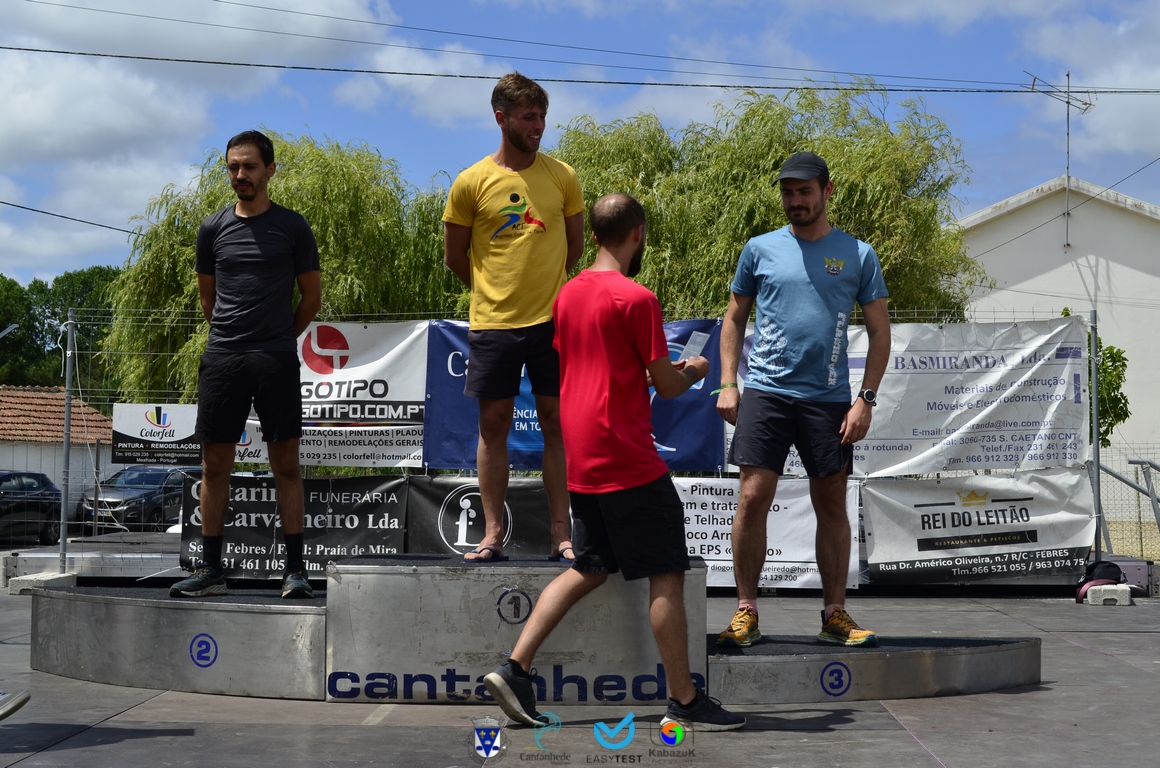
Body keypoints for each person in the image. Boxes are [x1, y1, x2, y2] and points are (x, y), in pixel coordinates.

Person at [483, 194, 745, 732]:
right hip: (626, 455)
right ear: (638, 234)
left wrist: (642, 371)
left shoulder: (567, 294)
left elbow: (595, 363)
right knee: (667, 573)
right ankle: (685, 699)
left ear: (596, 234)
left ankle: (515, 668)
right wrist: (697, 369)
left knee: (590, 567)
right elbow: (667, 387)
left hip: (582, 456)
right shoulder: (637, 298)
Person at [716, 151, 891, 648]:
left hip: (828, 400)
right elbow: (733, 318)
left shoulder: (858, 254)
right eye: (788, 193)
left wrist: (866, 399)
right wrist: (728, 382)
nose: (795, 201)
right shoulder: (759, 249)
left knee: (831, 502)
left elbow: (880, 333)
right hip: (767, 393)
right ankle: (745, 611)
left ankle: (834, 614)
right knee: (752, 497)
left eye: (805, 192)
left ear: (827, 191)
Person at [170, 130, 322, 600]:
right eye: (234, 167)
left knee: (286, 466)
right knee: (215, 465)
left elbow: (311, 298)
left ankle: (295, 571)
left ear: (270, 170)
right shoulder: (211, 229)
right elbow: (208, 302)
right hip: (223, 358)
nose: (241, 174)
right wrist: (234, 339)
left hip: (275, 358)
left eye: (250, 166)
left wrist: (277, 338)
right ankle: (211, 570)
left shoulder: (293, 227)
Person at [443, 72, 583, 562]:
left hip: (553, 323)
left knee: (556, 423)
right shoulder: (470, 181)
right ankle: (491, 534)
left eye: (542, 116)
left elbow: (574, 248)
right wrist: (494, 292)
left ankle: (561, 535)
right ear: (501, 118)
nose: (538, 125)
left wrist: (545, 290)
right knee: (494, 425)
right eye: (528, 117)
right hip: (493, 324)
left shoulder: (562, 176)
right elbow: (455, 257)